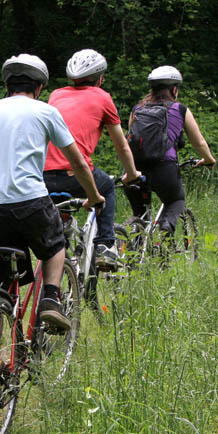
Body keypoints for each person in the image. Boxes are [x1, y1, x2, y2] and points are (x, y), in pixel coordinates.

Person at [0, 53, 105, 331]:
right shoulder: (45, 112)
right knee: (55, 247)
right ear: (39, 87)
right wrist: (94, 195)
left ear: (7, 85)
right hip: (31, 202)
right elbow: (77, 161)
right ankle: (51, 301)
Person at [43, 49, 141, 270]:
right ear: (100, 78)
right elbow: (121, 144)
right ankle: (105, 246)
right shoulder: (102, 97)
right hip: (75, 174)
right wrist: (132, 173)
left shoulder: (56, 95)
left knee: (60, 222)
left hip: (43, 176)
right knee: (106, 186)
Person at [123, 65, 216, 233]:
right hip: (163, 168)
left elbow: (127, 142)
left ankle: (134, 255)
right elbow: (198, 142)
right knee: (176, 200)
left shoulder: (137, 110)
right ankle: (166, 227)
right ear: (174, 89)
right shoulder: (180, 109)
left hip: (133, 169)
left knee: (140, 216)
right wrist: (209, 159)